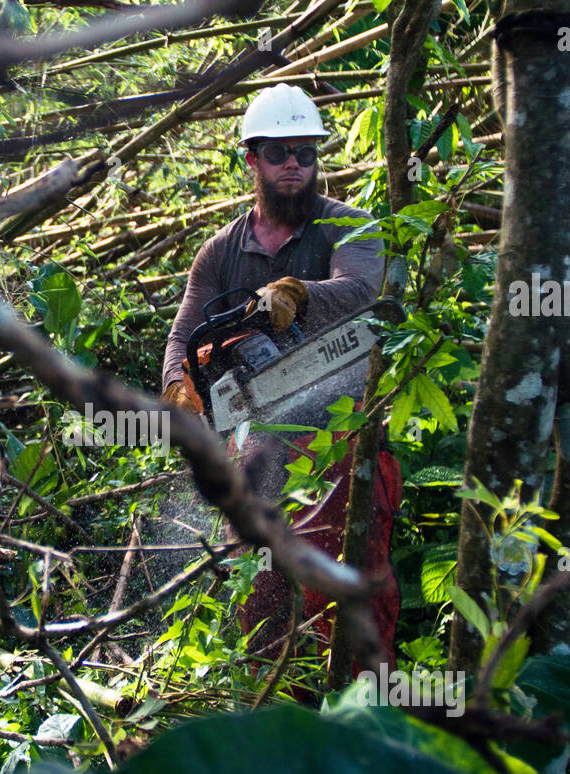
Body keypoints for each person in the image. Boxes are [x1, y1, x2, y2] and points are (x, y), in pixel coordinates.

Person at [159, 83, 401, 683]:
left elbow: (364, 293)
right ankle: (274, 706)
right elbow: (182, 334)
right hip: (259, 442)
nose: (294, 162)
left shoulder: (349, 228)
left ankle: (362, 708)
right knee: (260, 591)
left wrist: (296, 295)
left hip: (345, 436)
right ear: (252, 160)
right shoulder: (220, 253)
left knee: (353, 581)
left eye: (305, 151)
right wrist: (179, 389)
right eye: (278, 152)